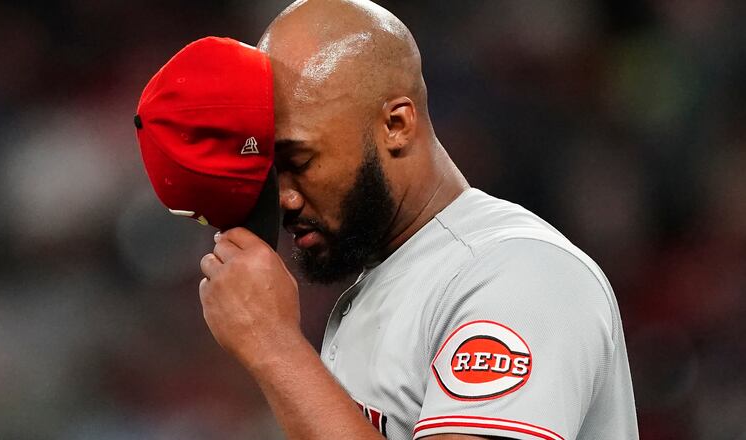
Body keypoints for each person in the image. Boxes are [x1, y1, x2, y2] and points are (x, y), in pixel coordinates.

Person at [198, 1, 638, 439]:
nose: (286, 198)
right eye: (273, 170)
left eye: (300, 160)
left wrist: (274, 345)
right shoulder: (393, 282)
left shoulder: (520, 274)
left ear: (396, 124)